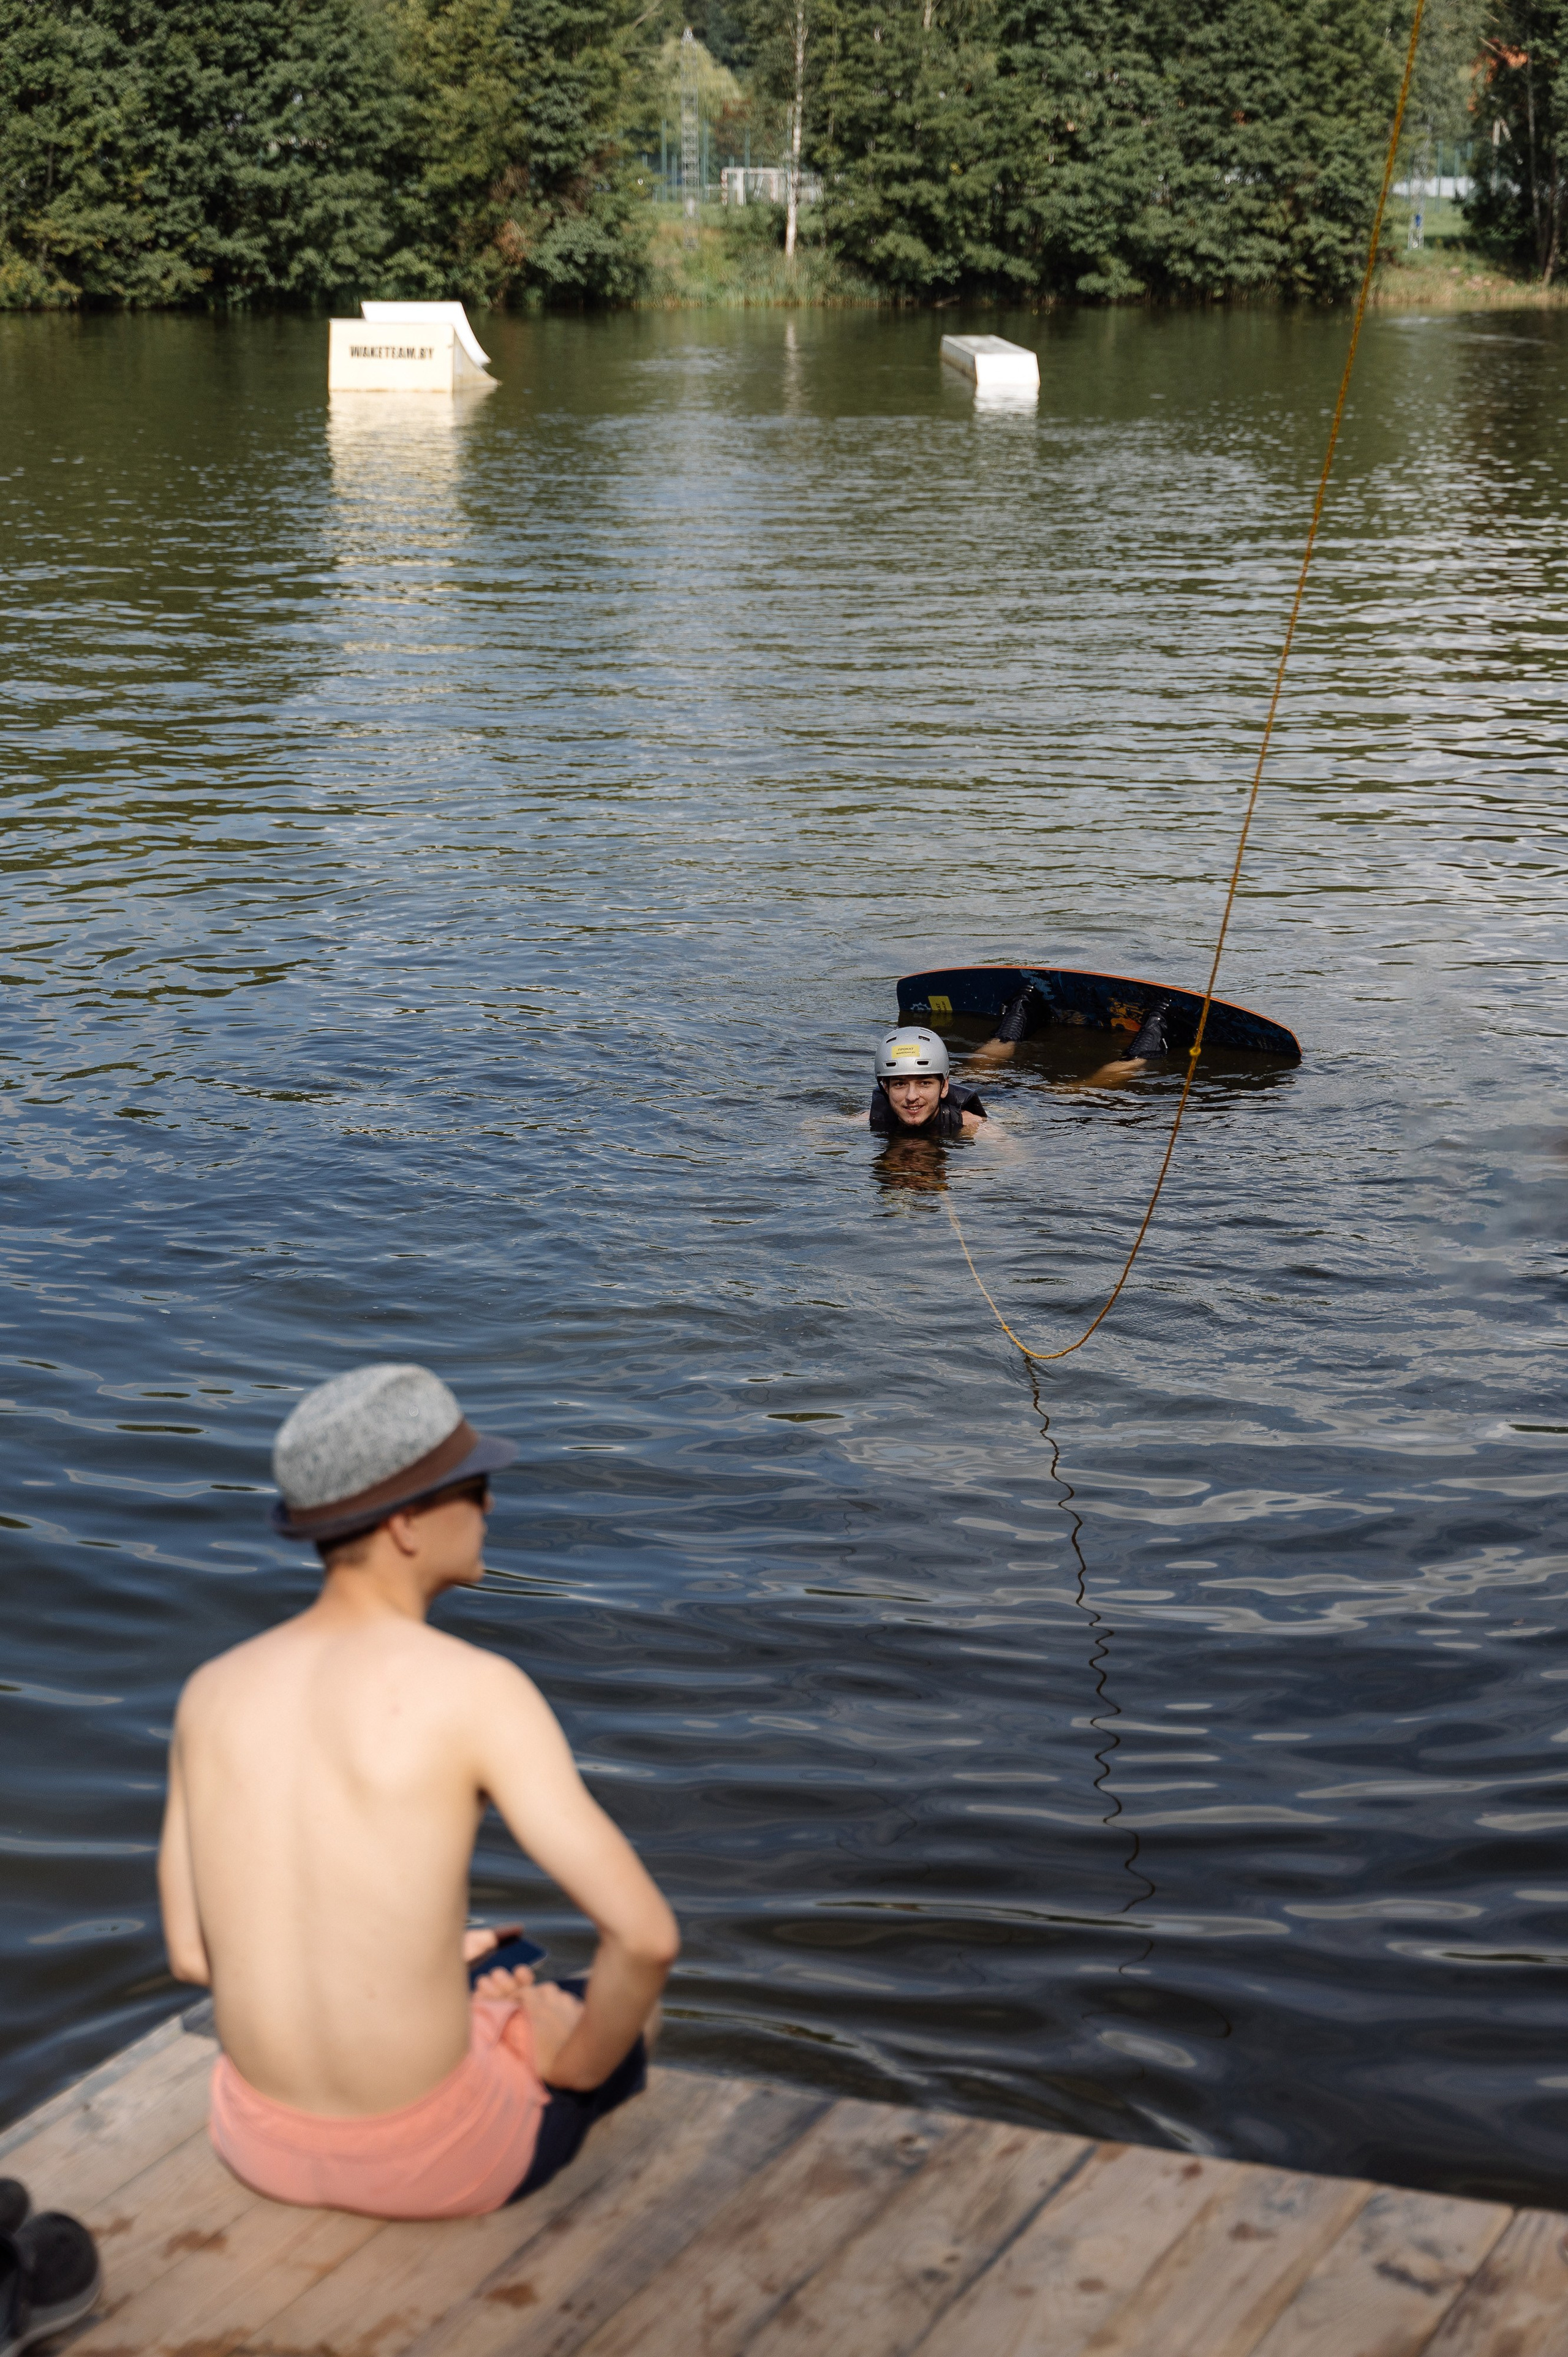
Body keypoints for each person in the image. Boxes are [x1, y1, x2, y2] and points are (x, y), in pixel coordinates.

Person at [157, 1362, 679, 2221]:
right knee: (610, 2012)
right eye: (474, 1488)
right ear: (406, 1523)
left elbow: (191, 1956)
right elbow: (648, 1937)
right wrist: (569, 2060)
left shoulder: (210, 1689)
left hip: (252, 2138)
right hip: (438, 2163)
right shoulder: (477, 1689)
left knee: (497, 1960)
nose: (491, 1507)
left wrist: (426, 1963)